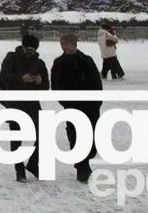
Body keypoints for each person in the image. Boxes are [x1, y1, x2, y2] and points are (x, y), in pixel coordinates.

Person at [0, 34, 49, 182]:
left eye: (33, 50)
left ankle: (33, 164)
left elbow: (46, 88)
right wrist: (20, 79)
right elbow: (3, 78)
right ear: (23, 47)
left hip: (32, 104)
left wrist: (40, 81)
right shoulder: (11, 59)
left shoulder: (39, 64)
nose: (30, 52)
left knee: (44, 135)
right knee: (17, 137)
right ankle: (19, 170)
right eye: (28, 49)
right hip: (15, 103)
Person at [52, 34, 103, 183]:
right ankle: (82, 166)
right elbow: (55, 84)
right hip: (71, 105)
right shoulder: (59, 62)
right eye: (62, 44)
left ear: (74, 44)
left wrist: (96, 102)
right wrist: (64, 101)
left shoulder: (86, 60)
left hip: (89, 105)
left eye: (66, 44)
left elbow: (96, 83)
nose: (64, 46)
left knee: (92, 137)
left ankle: (86, 159)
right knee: (75, 135)